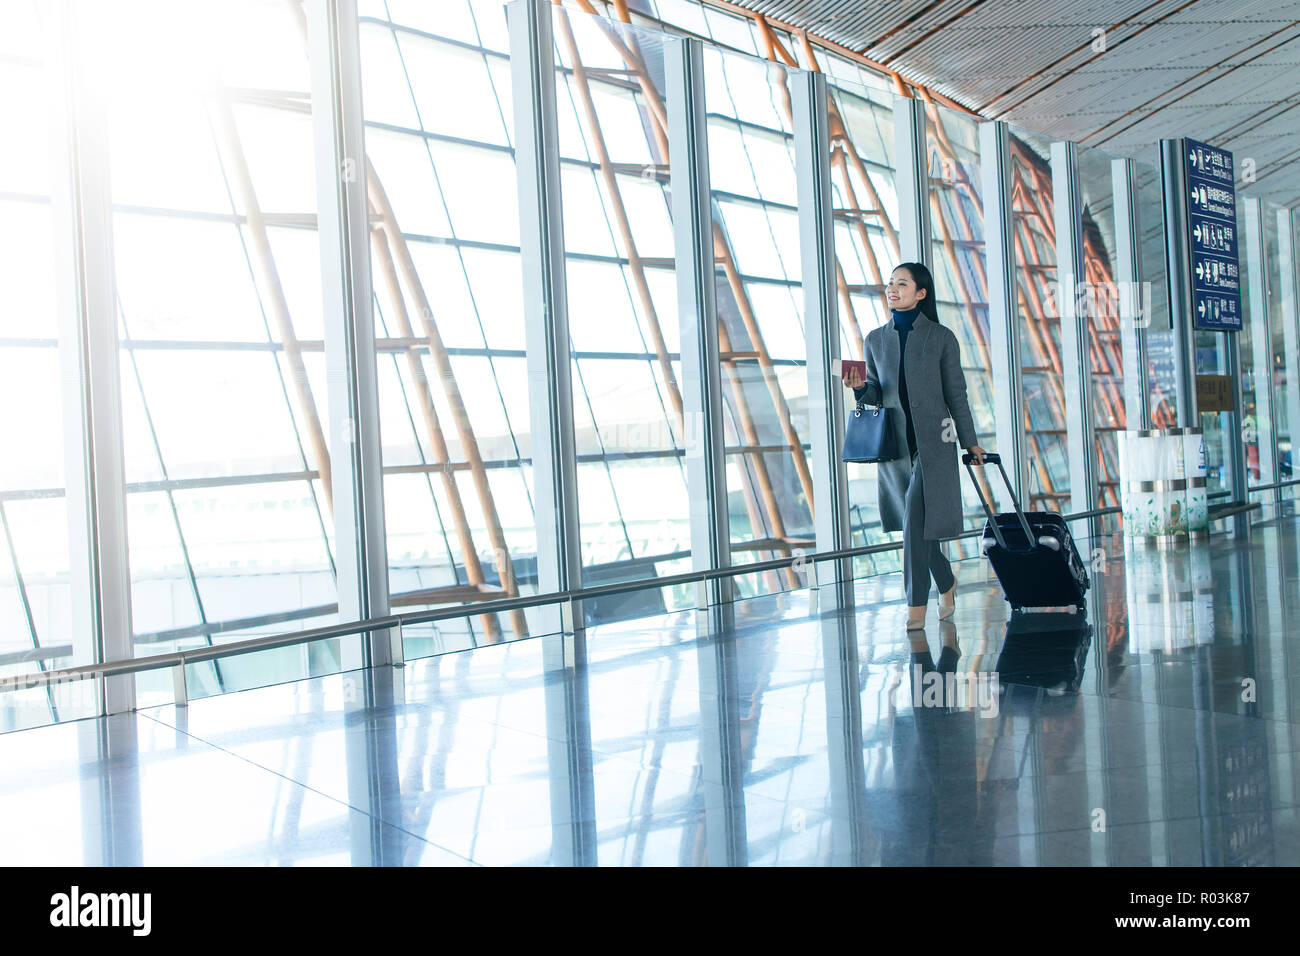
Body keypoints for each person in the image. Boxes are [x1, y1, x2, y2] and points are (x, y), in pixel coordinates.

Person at [844, 263, 988, 630]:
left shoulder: (941, 338)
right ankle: (947, 581)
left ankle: (915, 606)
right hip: (896, 448)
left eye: (901, 283)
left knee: (913, 517)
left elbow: (957, 395)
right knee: (918, 528)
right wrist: (859, 386)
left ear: (921, 293)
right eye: (891, 283)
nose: (892, 288)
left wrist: (971, 443)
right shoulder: (876, 339)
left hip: (935, 446)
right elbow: (875, 393)